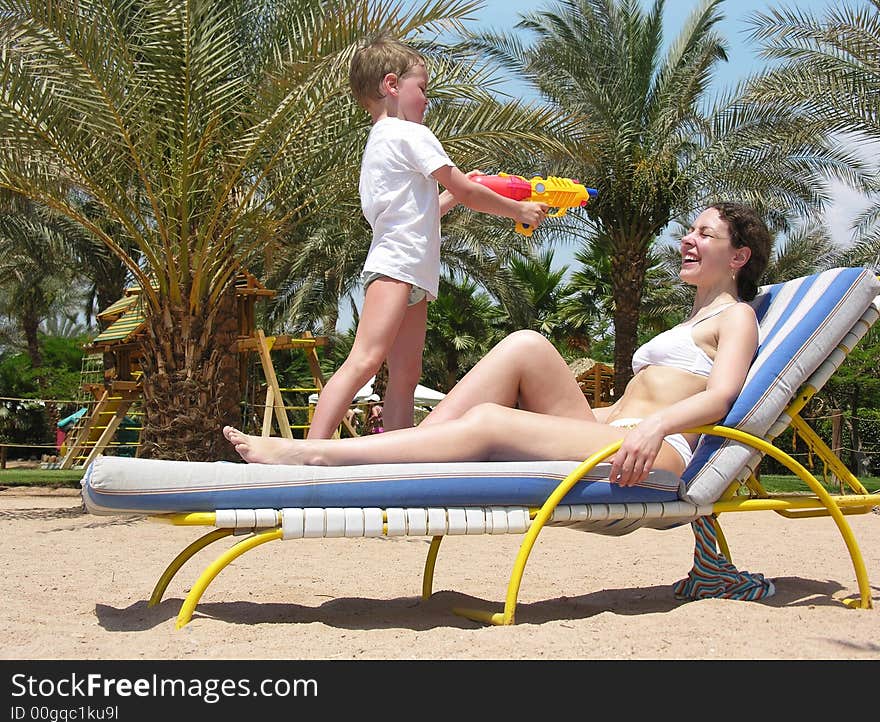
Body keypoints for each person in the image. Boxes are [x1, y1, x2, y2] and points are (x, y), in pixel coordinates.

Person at [225, 202, 771, 486]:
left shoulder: (737, 317)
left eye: (704, 234)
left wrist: (653, 427)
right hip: (611, 433)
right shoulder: (690, 318)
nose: (687, 240)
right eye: (690, 231)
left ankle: (319, 455)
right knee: (526, 343)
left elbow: (721, 399)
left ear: (739, 256)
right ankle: (397, 453)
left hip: (659, 452)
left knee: (489, 420)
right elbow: (637, 401)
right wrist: (623, 418)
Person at [305, 34, 549, 439]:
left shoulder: (380, 142)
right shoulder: (410, 134)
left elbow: (421, 212)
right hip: (398, 266)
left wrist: (451, 194)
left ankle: (396, 455)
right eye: (423, 88)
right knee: (366, 359)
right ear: (391, 85)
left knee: (405, 373)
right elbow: (472, 193)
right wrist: (518, 210)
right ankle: (309, 455)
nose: (427, 100)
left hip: (411, 270)